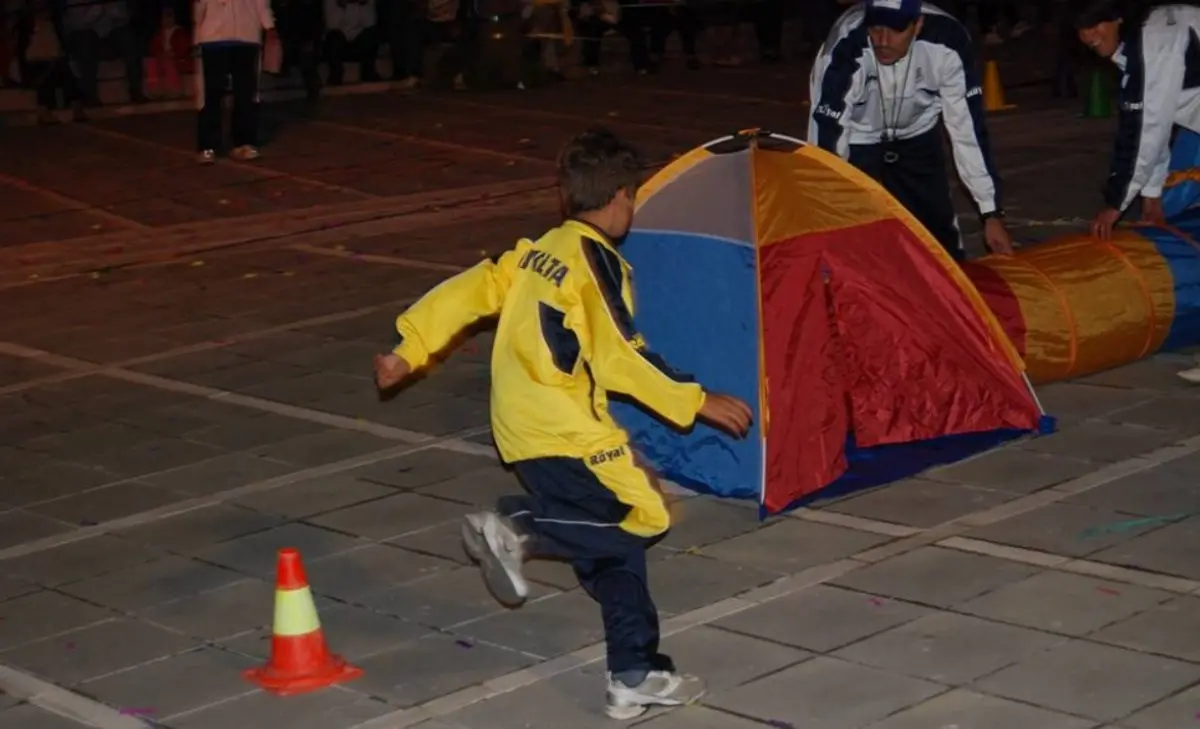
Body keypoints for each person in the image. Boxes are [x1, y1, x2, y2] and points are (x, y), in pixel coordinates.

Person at [373, 128, 754, 720]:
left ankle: (632, 675)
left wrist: (410, 346)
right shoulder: (594, 259)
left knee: (610, 547)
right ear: (622, 197)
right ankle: (521, 528)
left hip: (519, 425)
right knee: (645, 513)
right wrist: (695, 399)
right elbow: (619, 354)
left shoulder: (536, 249)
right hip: (564, 426)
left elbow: (472, 289)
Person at [808, 0, 1015, 261]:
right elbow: (826, 146)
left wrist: (990, 212)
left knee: (939, 242)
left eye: (895, 29)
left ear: (917, 24)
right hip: (857, 134)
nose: (883, 40)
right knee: (852, 240)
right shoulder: (844, 50)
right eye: (875, 27)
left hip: (917, 129)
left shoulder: (948, 42)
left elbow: (967, 131)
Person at [1070, 1, 1200, 385]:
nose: (1089, 36)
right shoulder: (1139, 48)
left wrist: (1115, 204)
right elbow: (1152, 127)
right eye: (1082, 28)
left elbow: (1147, 130)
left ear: (1118, 18)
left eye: (1097, 24)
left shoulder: (1158, 41)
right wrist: (1152, 197)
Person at [193, 0, 278, 163]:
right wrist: (197, 37)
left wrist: (269, 25)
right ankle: (207, 145)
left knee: (246, 91)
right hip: (213, 37)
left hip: (247, 35)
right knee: (211, 92)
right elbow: (199, 6)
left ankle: (244, 142)